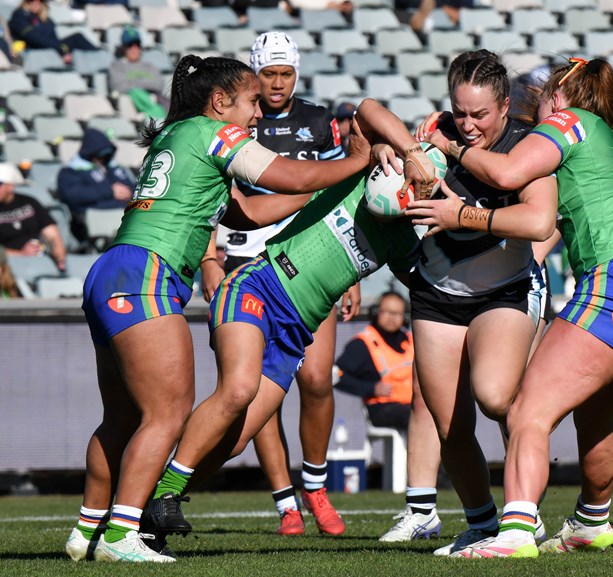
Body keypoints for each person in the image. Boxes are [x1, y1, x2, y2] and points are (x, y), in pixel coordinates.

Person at [63, 54, 374, 563]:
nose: (258, 115)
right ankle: (122, 535)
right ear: (219, 100)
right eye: (252, 102)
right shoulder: (215, 132)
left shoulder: (177, 136)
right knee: (165, 414)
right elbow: (286, 176)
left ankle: (87, 531)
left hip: (111, 270)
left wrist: (325, 188)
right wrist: (354, 163)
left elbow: (249, 213)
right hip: (148, 274)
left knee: (120, 417)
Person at [416, 56, 613, 558]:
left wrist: (449, 146)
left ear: (559, 98)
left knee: (528, 412)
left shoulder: (567, 121)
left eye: (540, 93)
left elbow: (505, 172)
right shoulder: (607, 135)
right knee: (596, 413)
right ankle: (591, 520)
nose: (534, 102)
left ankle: (516, 534)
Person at [138, 97, 437, 555]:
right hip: (259, 284)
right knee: (237, 390)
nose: (423, 183)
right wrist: (407, 151)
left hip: (299, 327)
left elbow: (430, 282)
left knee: (233, 441)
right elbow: (368, 109)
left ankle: (143, 503)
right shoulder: (371, 168)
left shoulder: (411, 232)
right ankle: (157, 497)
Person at [383, 49, 559, 556]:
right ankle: (482, 523)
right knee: (449, 424)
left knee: (496, 397)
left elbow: (538, 222)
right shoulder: (435, 136)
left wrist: (461, 216)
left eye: (479, 114)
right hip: (437, 293)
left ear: (505, 106)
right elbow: (370, 112)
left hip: (505, 290)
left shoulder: (529, 146)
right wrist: (385, 153)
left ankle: (523, 513)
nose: (467, 123)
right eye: (458, 112)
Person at [199, 31, 356, 538]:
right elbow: (211, 192)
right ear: (254, 73)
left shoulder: (320, 121)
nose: (277, 84)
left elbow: (341, 190)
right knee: (260, 384)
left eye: (286, 74)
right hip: (247, 255)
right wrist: (208, 258)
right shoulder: (238, 120)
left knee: (315, 379)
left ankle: (315, 482)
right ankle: (285, 500)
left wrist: (351, 273)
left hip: (314, 255)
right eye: (268, 74)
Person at [334, 291, 413, 432]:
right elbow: (336, 376)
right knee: (416, 417)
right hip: (382, 408)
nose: (391, 318)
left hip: (412, 405)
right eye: (387, 312)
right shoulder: (363, 343)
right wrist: (372, 388)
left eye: (397, 314)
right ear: (376, 312)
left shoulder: (411, 341)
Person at [57, 128, 136, 246]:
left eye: (106, 155)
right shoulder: (70, 171)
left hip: (125, 216)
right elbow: (72, 195)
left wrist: (128, 192)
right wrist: (109, 191)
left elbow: (130, 187)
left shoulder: (113, 167)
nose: (102, 158)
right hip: (94, 220)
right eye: (99, 154)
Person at [0, 162, 66, 273]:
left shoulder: (29, 202)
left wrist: (60, 259)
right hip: (7, 265)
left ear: (10, 186)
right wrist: (21, 254)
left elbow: (52, 234)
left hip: (40, 259)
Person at [108, 25, 169, 120]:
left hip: (152, 100)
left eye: (137, 45)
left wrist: (133, 83)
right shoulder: (116, 66)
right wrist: (143, 84)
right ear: (124, 48)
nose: (134, 49)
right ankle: (157, 115)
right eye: (130, 45)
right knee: (135, 92)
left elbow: (158, 84)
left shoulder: (149, 66)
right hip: (131, 105)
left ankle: (155, 115)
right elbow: (118, 86)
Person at [8, 0, 97, 65]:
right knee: (63, 46)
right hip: (30, 50)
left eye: (40, 1)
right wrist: (61, 50)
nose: (36, 3)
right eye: (32, 1)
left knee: (77, 37)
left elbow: (53, 37)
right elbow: (33, 38)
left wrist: (62, 50)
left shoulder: (45, 19)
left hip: (50, 47)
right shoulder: (19, 16)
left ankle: (99, 56)